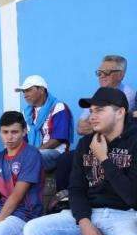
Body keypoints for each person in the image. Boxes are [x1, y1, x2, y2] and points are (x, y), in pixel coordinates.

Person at [24, 87, 137, 235]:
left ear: (120, 112)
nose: (91, 116)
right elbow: (76, 189)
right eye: (91, 111)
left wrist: (105, 158)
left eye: (99, 110)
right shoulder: (86, 143)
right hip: (89, 213)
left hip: (125, 215)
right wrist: (84, 221)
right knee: (34, 230)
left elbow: (132, 197)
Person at [55, 55, 136, 191]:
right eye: (99, 73)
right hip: (94, 144)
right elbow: (80, 127)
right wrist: (100, 124)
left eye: (107, 72)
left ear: (121, 75)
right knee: (65, 159)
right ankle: (64, 197)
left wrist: (98, 126)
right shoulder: (97, 95)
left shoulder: (127, 94)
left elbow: (116, 125)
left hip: (119, 148)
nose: (101, 76)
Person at [16, 75, 73, 171]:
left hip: (56, 153)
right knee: (0, 158)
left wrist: (35, 151)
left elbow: (58, 139)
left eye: (28, 90)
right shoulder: (26, 113)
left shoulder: (58, 107)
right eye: (23, 91)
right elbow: (23, 139)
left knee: (30, 158)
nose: (25, 95)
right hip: (35, 153)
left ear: (42, 90)